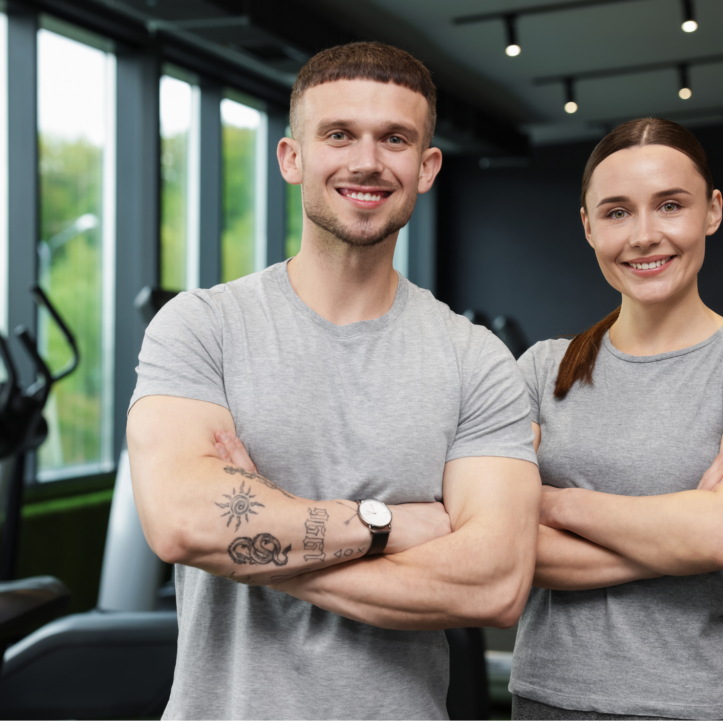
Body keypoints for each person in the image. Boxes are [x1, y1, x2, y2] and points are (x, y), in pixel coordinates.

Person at [127, 42, 542, 720]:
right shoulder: (202, 326)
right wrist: (391, 524)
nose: (368, 162)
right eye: (339, 134)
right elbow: (182, 522)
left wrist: (258, 535)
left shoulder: (476, 358)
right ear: (292, 157)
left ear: (427, 166)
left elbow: (494, 582)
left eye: (395, 139)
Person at [509, 117, 723, 720]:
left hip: (702, 706)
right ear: (588, 227)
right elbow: (496, 541)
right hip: (545, 703)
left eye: (671, 205)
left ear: (713, 210)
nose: (645, 235)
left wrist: (552, 503)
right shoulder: (541, 368)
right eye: (617, 212)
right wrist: (684, 531)